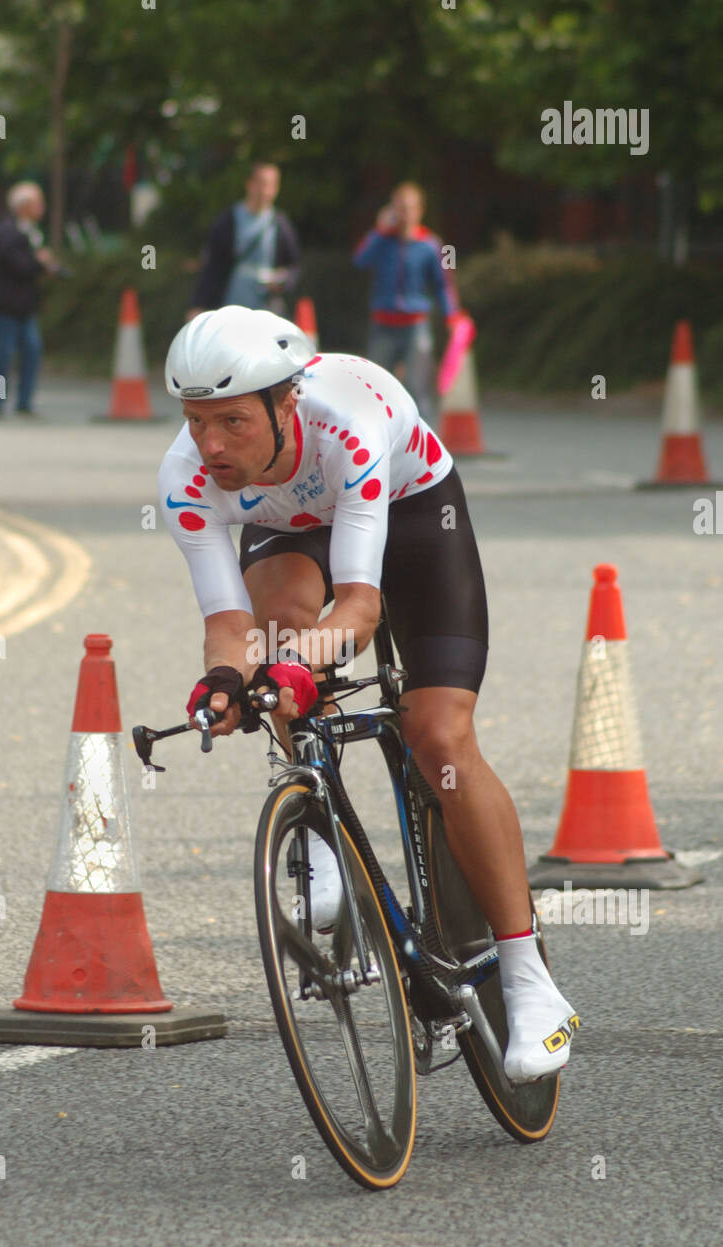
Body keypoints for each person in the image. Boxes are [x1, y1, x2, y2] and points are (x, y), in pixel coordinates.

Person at [158, 306, 579, 1085]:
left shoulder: (346, 422)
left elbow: (360, 606)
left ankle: (529, 981)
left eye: (233, 422)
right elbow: (228, 626)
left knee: (441, 739)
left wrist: (289, 670)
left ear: (287, 404)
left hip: (413, 514)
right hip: (289, 530)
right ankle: (317, 827)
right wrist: (226, 678)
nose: (211, 444)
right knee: (276, 634)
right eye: (195, 422)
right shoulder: (188, 473)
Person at [352, 182, 457, 423]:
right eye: (399, 208)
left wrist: (451, 314)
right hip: (383, 325)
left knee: (417, 388)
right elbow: (360, 260)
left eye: (409, 208)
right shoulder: (383, 241)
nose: (404, 214)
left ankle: (424, 446)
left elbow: (443, 284)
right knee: (375, 388)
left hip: (415, 324)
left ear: (419, 210)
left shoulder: (431, 245)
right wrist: (379, 230)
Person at [0, 182, 61, 416]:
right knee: (3, 355)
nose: (42, 207)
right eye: (38, 203)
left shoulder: (32, 231)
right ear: (23, 206)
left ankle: (24, 402)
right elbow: (18, 264)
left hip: (25, 306)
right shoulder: (8, 230)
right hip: (4, 305)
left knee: (31, 350)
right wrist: (41, 263)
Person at [186, 163, 300, 320]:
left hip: (267, 312)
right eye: (262, 184)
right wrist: (198, 304)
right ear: (250, 184)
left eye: (271, 185)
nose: (265, 191)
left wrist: (283, 281)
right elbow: (212, 266)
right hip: (230, 309)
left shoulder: (280, 224)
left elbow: (293, 267)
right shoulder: (228, 221)